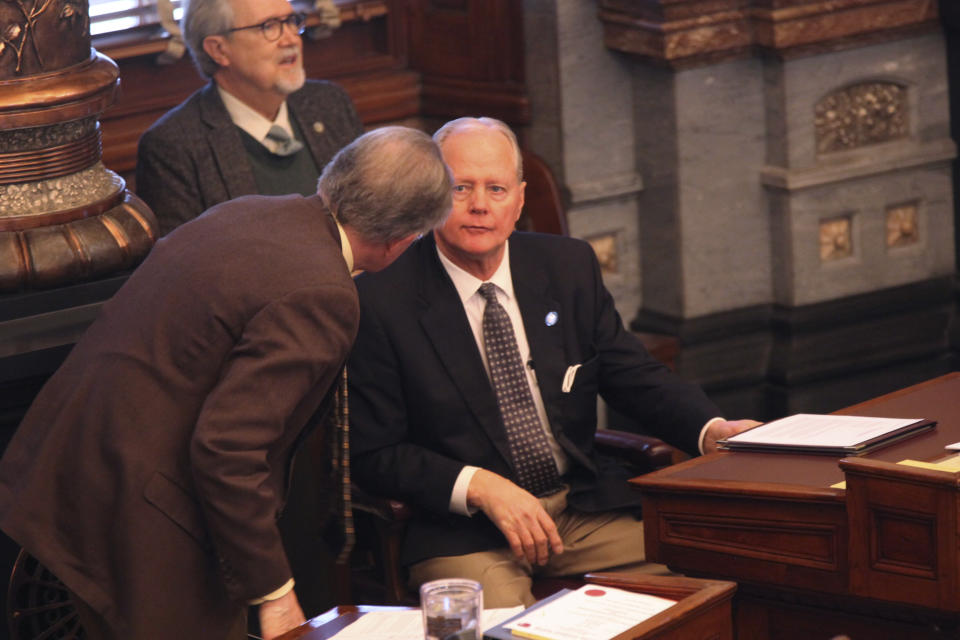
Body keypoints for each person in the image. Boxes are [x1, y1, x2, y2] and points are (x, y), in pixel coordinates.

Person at [0, 126, 452, 640]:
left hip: (65, 474)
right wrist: (275, 594)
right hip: (139, 523)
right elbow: (227, 450)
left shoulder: (248, 210)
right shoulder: (323, 294)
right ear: (403, 239)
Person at [347, 117, 759, 607]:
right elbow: (375, 453)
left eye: (496, 188)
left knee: (723, 571)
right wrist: (481, 487)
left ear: (519, 200)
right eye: (461, 188)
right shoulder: (378, 298)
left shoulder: (566, 267)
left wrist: (709, 429)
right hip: (466, 533)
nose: (480, 205)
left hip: (579, 511)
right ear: (430, 195)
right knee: (502, 632)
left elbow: (633, 375)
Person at [136, 0, 364, 236]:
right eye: (269, 27)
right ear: (219, 50)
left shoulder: (329, 103)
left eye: (291, 22)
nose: (291, 39)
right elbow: (187, 266)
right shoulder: (173, 147)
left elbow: (370, 218)